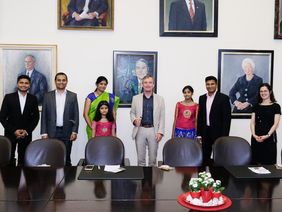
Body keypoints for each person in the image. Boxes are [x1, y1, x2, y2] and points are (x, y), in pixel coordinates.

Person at [41, 72, 79, 166]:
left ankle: (68, 180)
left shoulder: (72, 96)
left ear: (66, 82)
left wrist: (74, 131)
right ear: (55, 81)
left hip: (67, 132)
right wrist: (44, 132)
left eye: (63, 80)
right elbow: (44, 115)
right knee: (52, 158)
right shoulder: (47, 96)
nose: (61, 82)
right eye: (59, 80)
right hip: (51, 132)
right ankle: (52, 180)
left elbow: (76, 114)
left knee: (66, 159)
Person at [0, 75, 39, 166]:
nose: (23, 85)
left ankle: (23, 180)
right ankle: (10, 180)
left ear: (29, 85)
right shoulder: (8, 97)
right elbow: (2, 117)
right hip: (10, 134)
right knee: (9, 160)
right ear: (17, 84)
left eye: (26, 83)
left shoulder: (33, 99)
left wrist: (27, 131)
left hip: (26, 134)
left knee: (24, 161)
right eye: (21, 82)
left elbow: (36, 118)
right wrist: (14, 130)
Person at [130, 75, 165, 166]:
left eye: (150, 82)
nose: (148, 84)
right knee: (140, 160)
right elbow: (132, 113)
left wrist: (160, 132)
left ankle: (151, 180)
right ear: (142, 84)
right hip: (140, 129)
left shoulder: (160, 99)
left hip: (154, 131)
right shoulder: (135, 98)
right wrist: (134, 120)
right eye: (145, 82)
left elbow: (162, 117)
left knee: (153, 160)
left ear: (153, 84)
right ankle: (142, 180)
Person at [197, 76, 231, 166]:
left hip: (219, 133)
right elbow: (200, 117)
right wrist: (199, 134)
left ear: (216, 85)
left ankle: (219, 178)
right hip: (205, 132)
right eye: (208, 84)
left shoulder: (224, 98)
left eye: (212, 84)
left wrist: (224, 136)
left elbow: (227, 119)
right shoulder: (202, 98)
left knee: (219, 158)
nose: (210, 86)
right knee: (204, 158)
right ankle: (204, 178)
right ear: (205, 85)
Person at [250, 83, 281, 165]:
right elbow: (252, 122)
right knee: (255, 163)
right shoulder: (256, 106)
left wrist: (267, 135)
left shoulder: (276, 106)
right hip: (256, 137)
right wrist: (254, 135)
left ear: (270, 92)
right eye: (261, 91)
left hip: (269, 138)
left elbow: (276, 124)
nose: (263, 93)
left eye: (265, 91)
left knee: (269, 164)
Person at [83, 76, 120, 140]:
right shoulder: (90, 97)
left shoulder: (110, 97)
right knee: (94, 146)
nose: (103, 86)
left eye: (105, 84)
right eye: (101, 84)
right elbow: (85, 114)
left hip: (107, 127)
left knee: (108, 145)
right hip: (92, 125)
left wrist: (113, 125)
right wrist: (92, 127)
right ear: (97, 84)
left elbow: (113, 112)